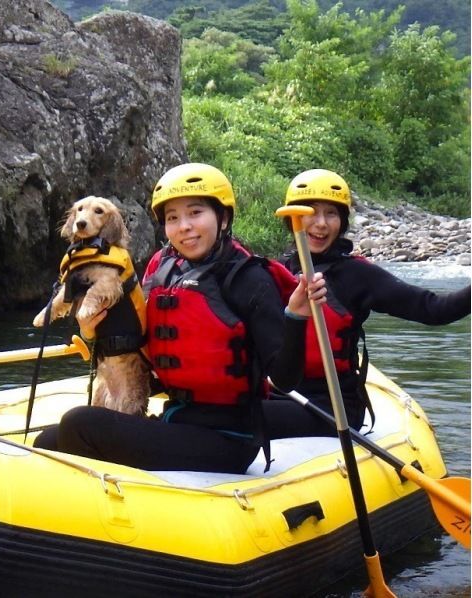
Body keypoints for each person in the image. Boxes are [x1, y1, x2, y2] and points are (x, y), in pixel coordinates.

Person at [33, 163, 325, 473]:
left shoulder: (248, 278)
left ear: (223, 217)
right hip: (177, 417)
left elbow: (284, 378)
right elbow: (136, 337)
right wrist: (90, 333)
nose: (184, 226)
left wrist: (295, 316)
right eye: (173, 218)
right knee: (47, 441)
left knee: (80, 424)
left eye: (195, 213)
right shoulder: (162, 269)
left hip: (228, 439)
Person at [264, 168, 471, 438]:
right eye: (310, 211)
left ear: (342, 222)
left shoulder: (357, 275)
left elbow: (434, 310)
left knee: (246, 419)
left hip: (332, 407)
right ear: (291, 219)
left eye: (332, 213)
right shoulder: (274, 271)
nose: (321, 223)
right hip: (278, 393)